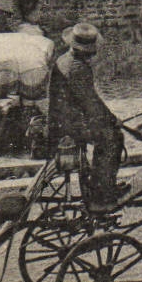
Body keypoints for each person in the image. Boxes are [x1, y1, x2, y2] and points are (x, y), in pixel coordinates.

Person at [48, 23, 124, 214]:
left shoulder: (64, 59)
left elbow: (90, 100)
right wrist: (113, 120)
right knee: (113, 138)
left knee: (108, 133)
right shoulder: (79, 69)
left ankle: (100, 183)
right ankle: (103, 195)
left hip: (63, 119)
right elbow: (92, 105)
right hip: (71, 126)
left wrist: (108, 117)